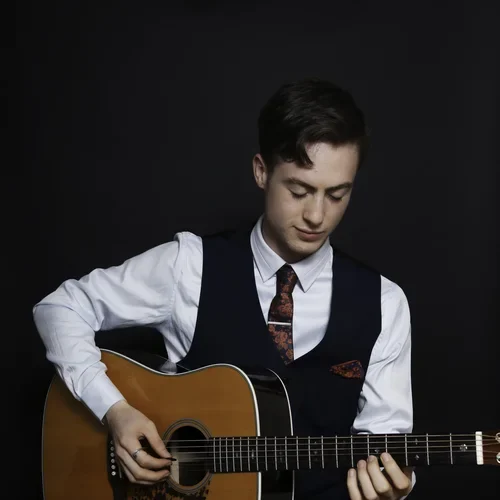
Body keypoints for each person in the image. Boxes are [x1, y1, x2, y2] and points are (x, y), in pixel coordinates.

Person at [33, 77, 415, 500]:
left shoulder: (384, 303)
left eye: (337, 195)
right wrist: (114, 410)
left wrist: (392, 487)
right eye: (299, 190)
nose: (316, 215)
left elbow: (387, 446)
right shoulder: (189, 266)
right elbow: (60, 308)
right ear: (261, 171)